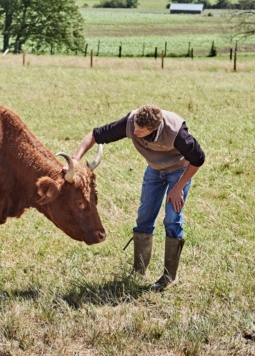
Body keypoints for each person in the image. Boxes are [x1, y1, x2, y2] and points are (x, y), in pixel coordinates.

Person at [73, 104, 205, 290]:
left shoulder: (176, 133)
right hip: (155, 170)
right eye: (134, 127)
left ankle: (169, 277)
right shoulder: (131, 123)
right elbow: (95, 135)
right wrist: (75, 159)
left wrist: (178, 187)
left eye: (140, 130)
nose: (134, 132)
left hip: (178, 171)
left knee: (172, 220)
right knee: (144, 217)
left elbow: (198, 158)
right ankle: (139, 270)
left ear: (154, 128)